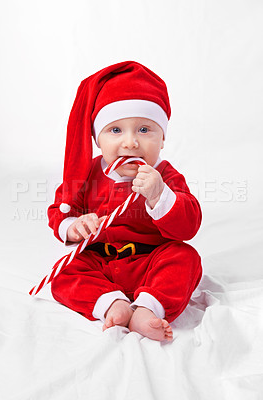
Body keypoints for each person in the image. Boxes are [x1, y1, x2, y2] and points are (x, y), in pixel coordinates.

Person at [48, 61, 202, 341]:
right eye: (116, 130)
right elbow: (60, 209)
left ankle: (148, 308)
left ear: (163, 138)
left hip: (151, 261)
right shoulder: (87, 173)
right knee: (64, 271)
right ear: (97, 138)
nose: (131, 142)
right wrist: (74, 225)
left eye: (144, 130)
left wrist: (159, 195)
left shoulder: (165, 175)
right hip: (102, 261)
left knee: (185, 257)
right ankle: (111, 303)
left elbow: (188, 226)